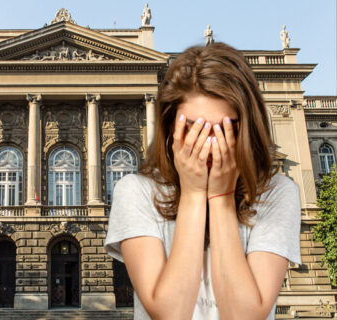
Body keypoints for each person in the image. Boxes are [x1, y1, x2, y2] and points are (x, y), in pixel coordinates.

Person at [104, 42, 301, 319]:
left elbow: (244, 316)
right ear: (171, 127)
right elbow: (170, 313)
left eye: (224, 129)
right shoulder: (135, 192)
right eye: (195, 129)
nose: (210, 146)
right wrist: (195, 194)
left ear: (248, 127)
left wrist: (220, 199)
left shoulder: (278, 193)